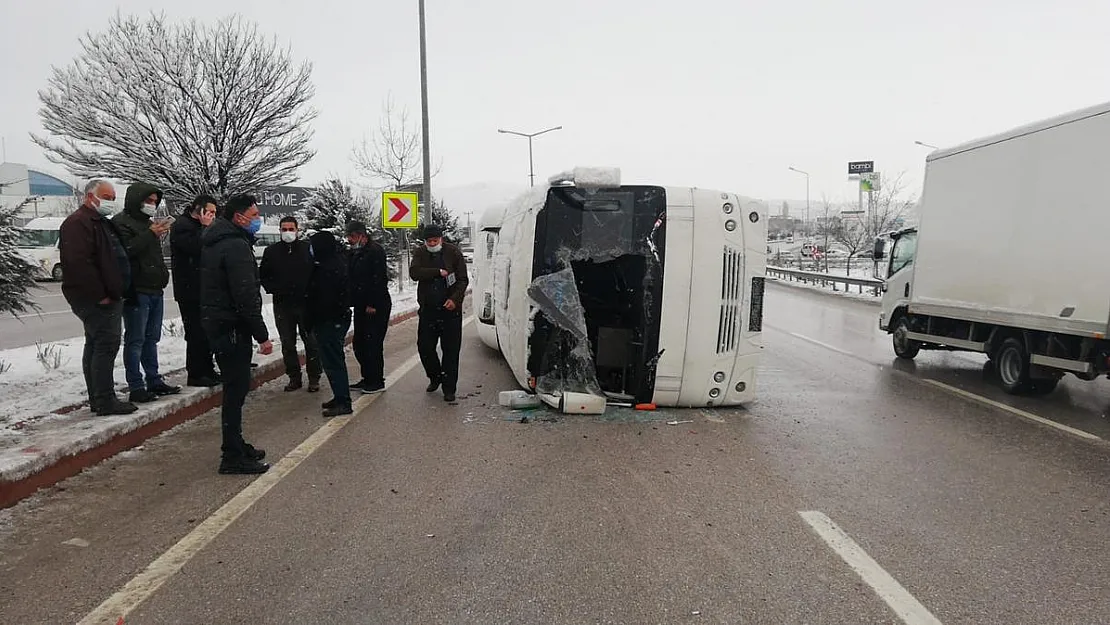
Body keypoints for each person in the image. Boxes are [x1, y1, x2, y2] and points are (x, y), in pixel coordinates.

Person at [201, 194, 273, 474]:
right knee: (236, 390)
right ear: (238, 217)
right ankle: (231, 456)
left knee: (236, 389)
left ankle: (235, 443)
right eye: (254, 215)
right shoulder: (234, 246)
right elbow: (245, 295)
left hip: (221, 322)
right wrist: (262, 335)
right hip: (231, 326)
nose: (257, 220)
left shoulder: (219, 241)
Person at [59, 180, 137, 416]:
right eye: (106, 196)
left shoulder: (99, 222)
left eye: (113, 198)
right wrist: (100, 295)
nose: (110, 202)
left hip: (109, 295)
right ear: (90, 196)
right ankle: (104, 399)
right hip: (97, 299)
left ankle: (100, 397)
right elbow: (78, 264)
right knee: (105, 345)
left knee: (96, 344)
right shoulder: (77, 223)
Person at [112, 183, 180, 403]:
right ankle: (136, 385)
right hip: (136, 290)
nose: (152, 205)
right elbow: (125, 251)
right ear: (136, 200)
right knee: (136, 339)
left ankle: (154, 380)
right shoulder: (120, 223)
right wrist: (149, 235)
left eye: (154, 201)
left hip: (155, 288)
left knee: (151, 338)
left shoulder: (149, 224)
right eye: (148, 201)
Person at [259, 216, 321, 393]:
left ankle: (314, 377)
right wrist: (274, 288)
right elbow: (263, 275)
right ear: (279, 231)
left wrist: (313, 291)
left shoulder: (307, 248)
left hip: (306, 304)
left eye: (291, 229)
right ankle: (294, 377)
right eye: (284, 229)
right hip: (283, 304)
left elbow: (318, 271)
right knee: (287, 343)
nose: (287, 232)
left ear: (297, 230)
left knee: (312, 342)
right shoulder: (272, 251)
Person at [409, 224, 469, 403]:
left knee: (450, 350)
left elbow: (462, 280)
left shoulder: (453, 253)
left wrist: (455, 300)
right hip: (428, 310)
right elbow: (414, 273)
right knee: (425, 347)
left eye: (435, 240)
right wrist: (436, 272)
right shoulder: (420, 253)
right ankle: (435, 376)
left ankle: (449, 388)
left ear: (441, 239)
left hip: (450, 311)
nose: (432, 243)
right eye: (429, 241)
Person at [170, 195, 220, 387]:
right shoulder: (183, 226)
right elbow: (196, 247)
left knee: (207, 331)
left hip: (205, 288)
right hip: (190, 290)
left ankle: (208, 369)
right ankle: (196, 373)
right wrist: (206, 228)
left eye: (214, 213)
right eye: (209, 212)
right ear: (199, 210)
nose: (212, 216)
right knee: (196, 333)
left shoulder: (202, 227)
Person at [305, 231, 353, 417]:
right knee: (331, 361)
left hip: (330, 321)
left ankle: (343, 401)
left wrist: (314, 318)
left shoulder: (330, 268)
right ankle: (339, 396)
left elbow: (326, 299)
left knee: (334, 362)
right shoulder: (327, 264)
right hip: (330, 320)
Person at [346, 220, 392, 394]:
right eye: (348, 236)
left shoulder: (375, 251)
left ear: (362, 235)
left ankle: (376, 381)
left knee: (372, 344)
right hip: (360, 305)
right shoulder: (355, 252)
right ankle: (367, 377)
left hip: (376, 306)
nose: (349, 239)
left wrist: (373, 303)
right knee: (359, 343)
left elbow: (379, 279)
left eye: (352, 236)